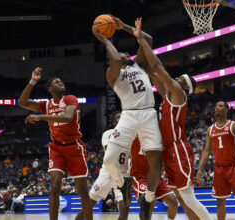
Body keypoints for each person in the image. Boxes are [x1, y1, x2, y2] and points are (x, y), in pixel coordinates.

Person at [132, 18, 211, 220]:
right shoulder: (168, 95)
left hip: (177, 148)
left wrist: (142, 39)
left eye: (180, 80)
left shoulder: (178, 95)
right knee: (182, 197)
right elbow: (151, 71)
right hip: (168, 150)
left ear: (185, 88)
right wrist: (139, 55)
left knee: (188, 196)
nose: (176, 79)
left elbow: (157, 65)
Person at [92, 16, 164, 219]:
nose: (125, 53)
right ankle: (123, 186)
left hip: (149, 113)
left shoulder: (139, 65)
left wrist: (124, 27)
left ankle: (147, 198)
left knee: (155, 163)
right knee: (108, 160)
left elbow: (148, 41)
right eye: (122, 51)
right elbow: (115, 59)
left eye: (126, 51)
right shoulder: (112, 74)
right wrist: (105, 39)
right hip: (129, 115)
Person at [18, 68, 93, 220]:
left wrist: (40, 117)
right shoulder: (46, 104)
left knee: (83, 191)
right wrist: (33, 81)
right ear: (51, 89)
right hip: (57, 148)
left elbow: (67, 117)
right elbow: (22, 102)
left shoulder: (70, 99)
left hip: (75, 147)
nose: (61, 83)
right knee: (55, 185)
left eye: (61, 81)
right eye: (57, 82)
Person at [197, 101, 235, 220]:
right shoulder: (210, 129)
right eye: (216, 106)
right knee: (219, 201)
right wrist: (200, 169)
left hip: (234, 166)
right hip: (219, 169)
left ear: (226, 110)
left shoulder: (234, 125)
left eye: (220, 106)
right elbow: (206, 150)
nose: (217, 108)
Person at [75, 112, 130, 220]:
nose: (120, 119)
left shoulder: (131, 134)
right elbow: (109, 153)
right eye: (117, 117)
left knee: (125, 208)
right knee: (89, 204)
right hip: (108, 172)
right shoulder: (108, 133)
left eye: (122, 117)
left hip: (123, 174)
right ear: (113, 122)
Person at [130, 137, 178, 220]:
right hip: (140, 177)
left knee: (173, 202)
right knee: (149, 201)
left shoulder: (157, 136)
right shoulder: (135, 133)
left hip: (156, 177)